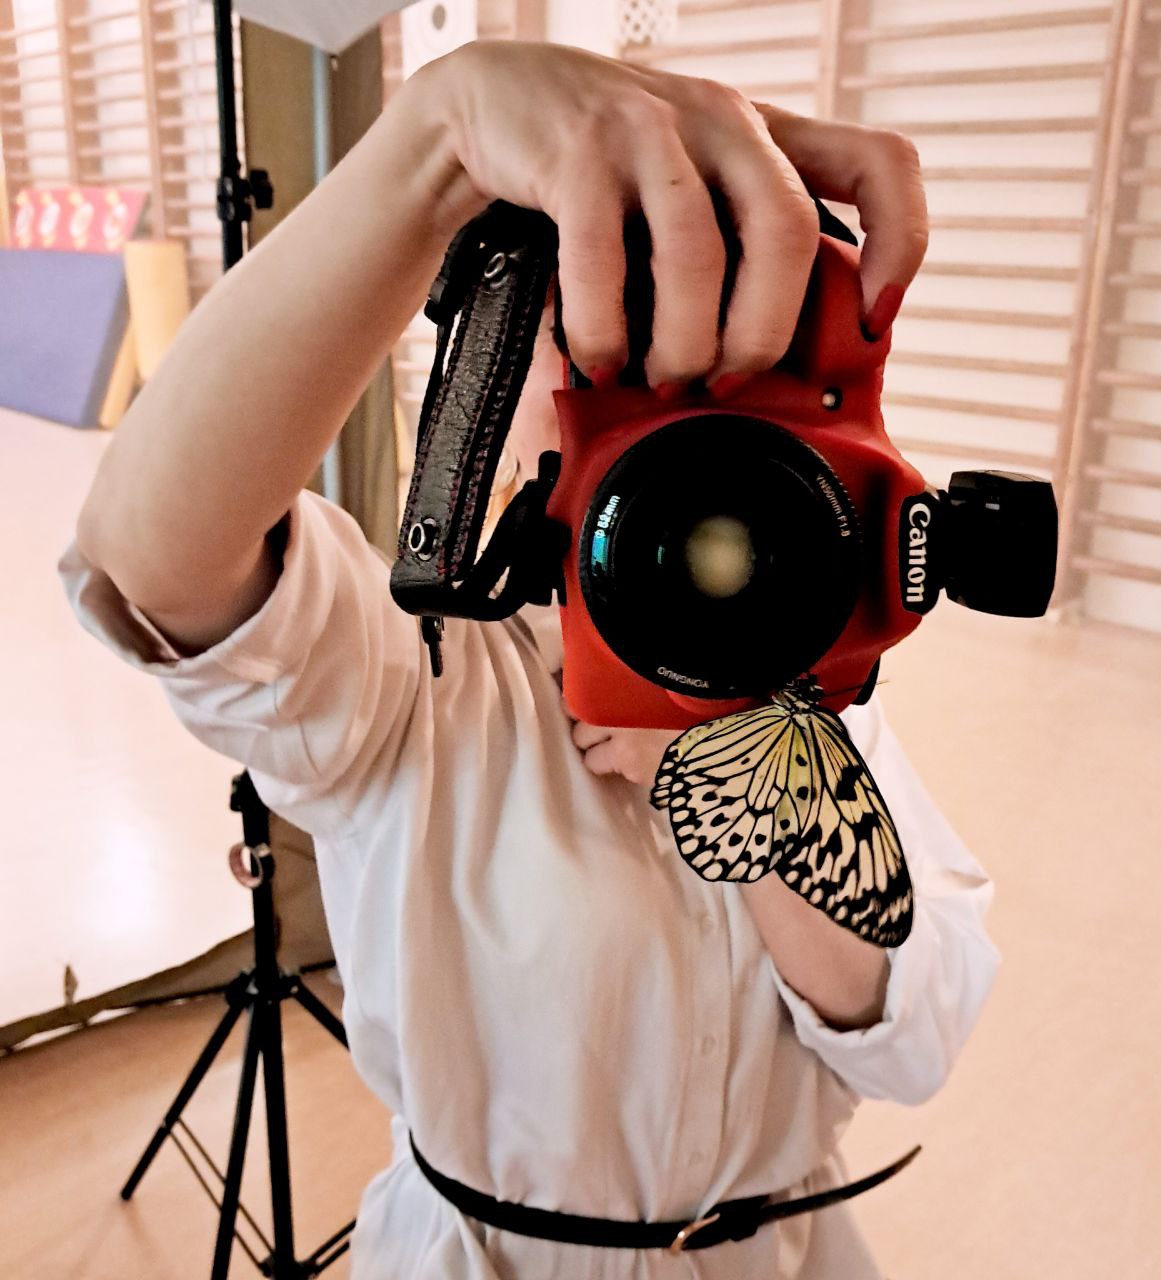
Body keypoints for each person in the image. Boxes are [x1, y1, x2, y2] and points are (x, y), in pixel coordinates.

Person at [59, 41, 998, 1279]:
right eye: (612, 333)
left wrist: (719, 761)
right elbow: (153, 560)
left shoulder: (811, 679)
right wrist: (432, 146)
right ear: (493, 368)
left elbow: (913, 1035)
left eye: (741, 353)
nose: (672, 398)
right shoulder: (416, 674)